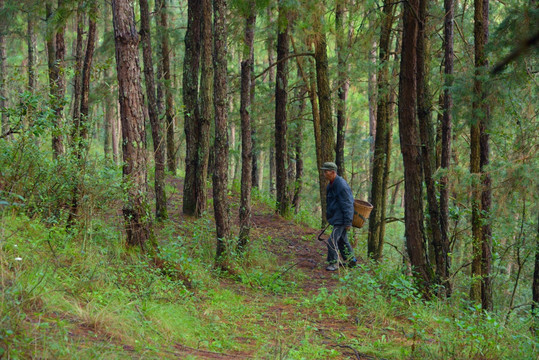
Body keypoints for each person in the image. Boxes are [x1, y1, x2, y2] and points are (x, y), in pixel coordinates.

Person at [320, 162, 357, 271]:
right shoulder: (331, 184)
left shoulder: (341, 185)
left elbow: (348, 204)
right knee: (342, 240)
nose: (324, 174)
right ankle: (352, 261)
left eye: (326, 171)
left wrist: (348, 222)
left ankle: (333, 264)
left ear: (333, 172)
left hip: (342, 219)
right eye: (324, 171)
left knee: (332, 241)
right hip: (337, 218)